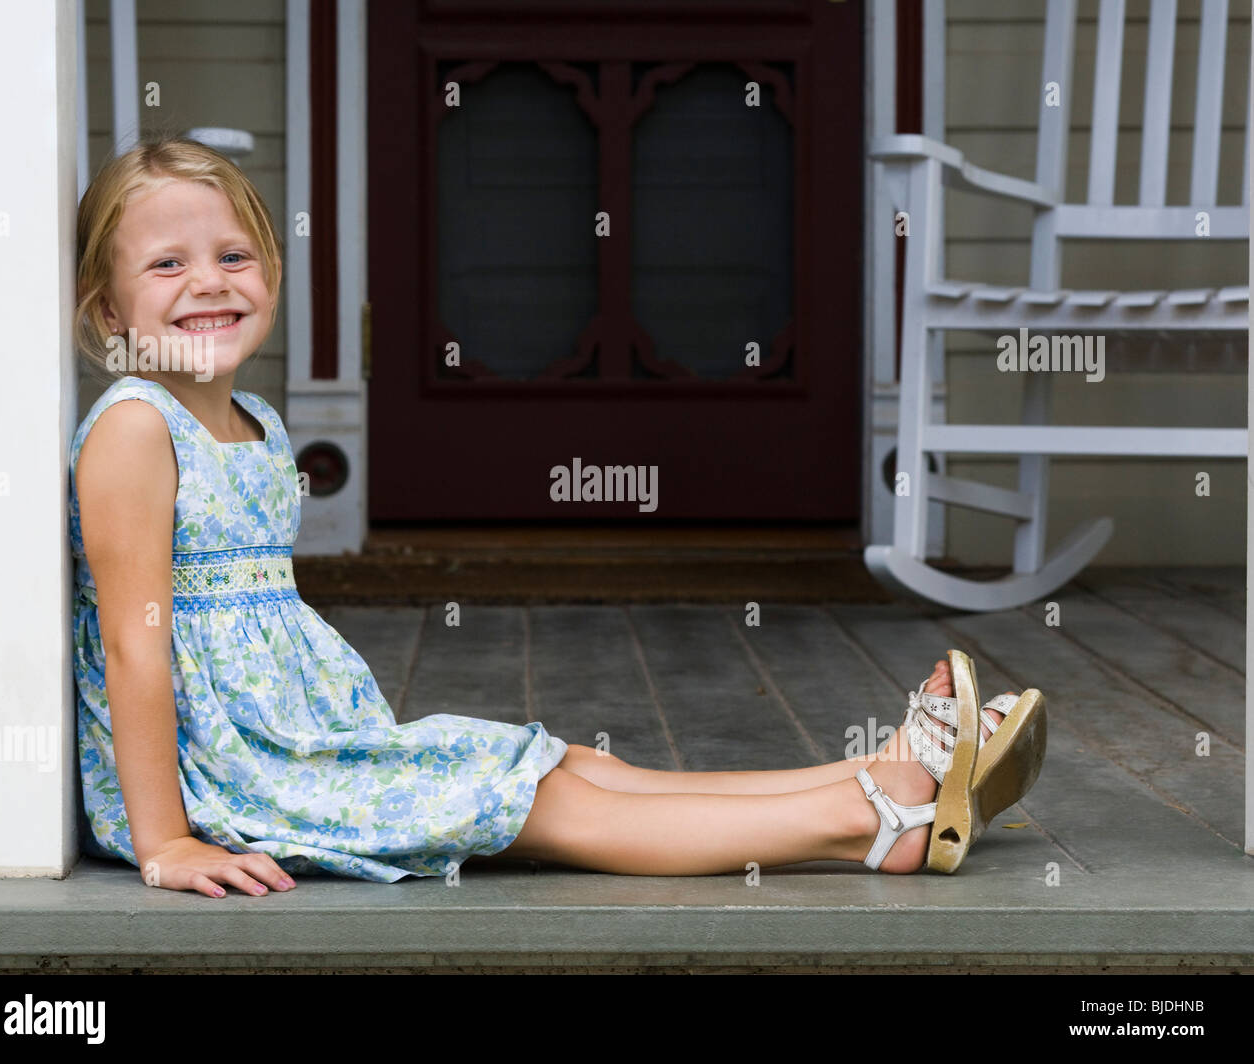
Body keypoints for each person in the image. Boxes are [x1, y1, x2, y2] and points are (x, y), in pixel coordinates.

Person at [71, 135, 1047, 899]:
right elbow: (134, 645)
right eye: (167, 265)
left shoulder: (252, 419)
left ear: (272, 273)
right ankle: (872, 820)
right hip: (232, 775)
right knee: (543, 800)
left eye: (234, 254)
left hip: (299, 738)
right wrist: (164, 838)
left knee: (561, 761)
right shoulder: (134, 430)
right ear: (108, 311)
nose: (209, 281)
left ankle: (871, 771)